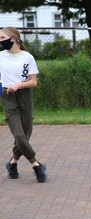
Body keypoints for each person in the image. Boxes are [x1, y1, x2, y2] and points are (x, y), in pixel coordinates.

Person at [0, 26, 47, 183]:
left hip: (25, 96)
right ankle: (36, 165)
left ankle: (12, 163)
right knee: (19, 135)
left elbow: (33, 82)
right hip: (8, 97)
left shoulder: (27, 57)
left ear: (13, 38)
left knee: (25, 134)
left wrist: (19, 85)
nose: (0, 41)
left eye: (2, 38)